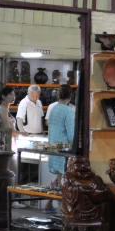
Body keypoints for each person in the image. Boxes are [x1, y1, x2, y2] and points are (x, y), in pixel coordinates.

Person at [43, 85, 76, 213]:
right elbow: (71, 134)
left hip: (53, 146)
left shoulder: (54, 108)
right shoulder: (68, 111)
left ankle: (50, 204)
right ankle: (62, 211)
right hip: (64, 149)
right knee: (64, 180)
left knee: (59, 177)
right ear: (70, 96)